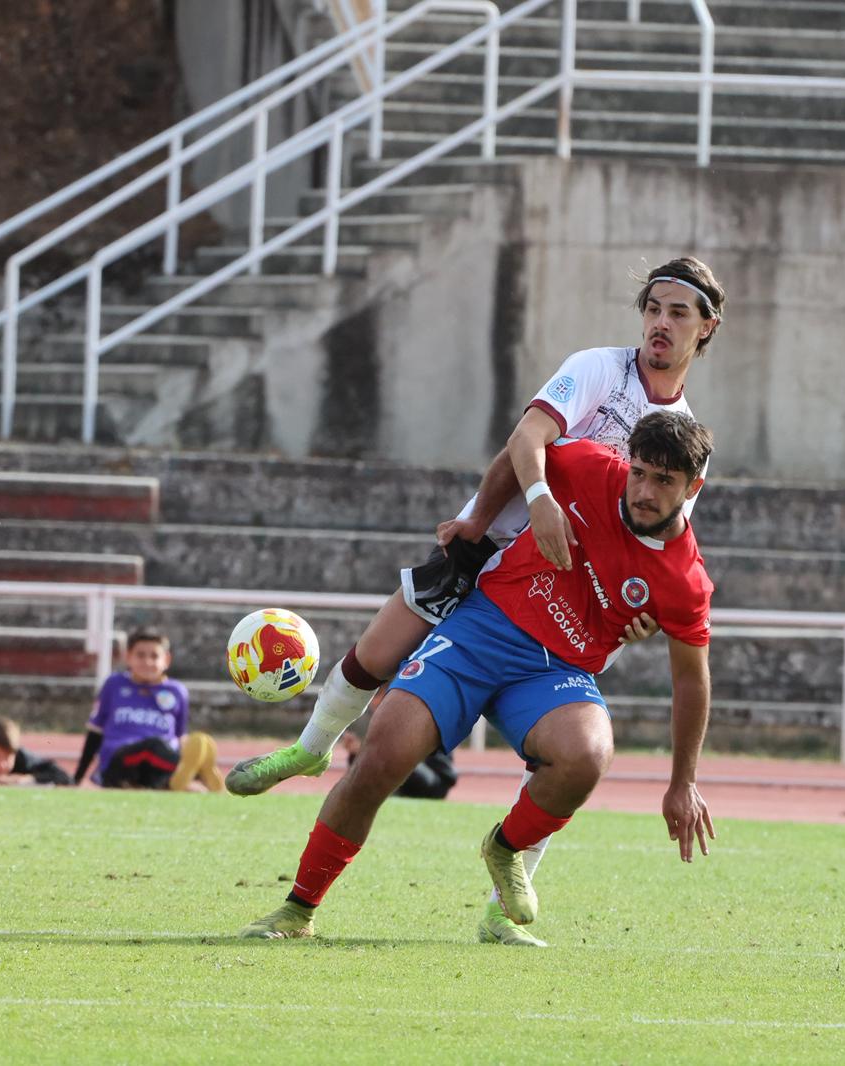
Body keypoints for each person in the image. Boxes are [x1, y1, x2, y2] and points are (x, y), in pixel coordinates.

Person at [226, 256, 725, 944]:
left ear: (707, 328)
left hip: (560, 635)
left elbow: (668, 591)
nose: (661, 323)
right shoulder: (598, 391)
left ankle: (503, 886)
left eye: (679, 313)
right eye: (654, 308)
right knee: (378, 703)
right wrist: (499, 518)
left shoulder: (684, 465)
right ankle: (305, 815)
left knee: (581, 759)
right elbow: (526, 441)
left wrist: (637, 622)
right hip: (494, 571)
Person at [72, 629, 222, 792]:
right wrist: (77, 777)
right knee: (151, 746)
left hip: (159, 764)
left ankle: (184, 779)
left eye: (154, 656)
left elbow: (180, 736)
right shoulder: (114, 684)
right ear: (128, 657)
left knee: (170, 748)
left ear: (166, 660)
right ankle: (193, 776)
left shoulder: (177, 691)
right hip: (119, 763)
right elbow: (95, 733)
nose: (147, 662)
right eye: (141, 655)